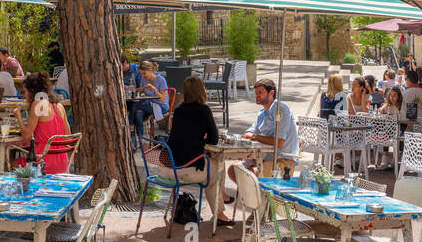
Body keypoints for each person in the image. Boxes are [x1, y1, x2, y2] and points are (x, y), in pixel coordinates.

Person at [167, 76, 229, 226]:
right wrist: (202, 141)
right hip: (186, 170)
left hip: (169, 168)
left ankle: (221, 200)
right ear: (202, 91)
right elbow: (214, 139)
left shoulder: (179, 109)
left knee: (211, 168)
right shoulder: (204, 110)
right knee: (217, 171)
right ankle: (220, 213)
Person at [16, 71, 71, 173]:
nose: (24, 96)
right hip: (62, 163)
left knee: (8, 162)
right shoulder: (59, 105)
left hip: (42, 162)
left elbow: (26, 137)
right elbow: (67, 136)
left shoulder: (38, 104)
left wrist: (18, 116)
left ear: (32, 91)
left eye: (25, 92)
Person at [243, 79, 299, 176]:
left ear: (271, 93)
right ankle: (252, 190)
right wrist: (251, 135)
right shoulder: (262, 113)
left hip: (281, 159)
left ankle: (254, 188)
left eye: (260, 92)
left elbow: (279, 141)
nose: (257, 95)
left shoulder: (280, 109)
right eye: (256, 92)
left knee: (247, 176)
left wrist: (255, 137)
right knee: (234, 169)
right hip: (263, 156)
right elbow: (248, 133)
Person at [128, 60, 169, 140]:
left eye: (144, 73)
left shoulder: (161, 80)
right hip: (147, 105)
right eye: (141, 74)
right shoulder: (144, 80)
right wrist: (135, 89)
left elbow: (163, 100)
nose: (142, 76)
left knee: (135, 105)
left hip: (160, 107)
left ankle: (130, 127)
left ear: (150, 70)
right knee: (138, 113)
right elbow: (142, 92)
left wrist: (154, 89)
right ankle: (141, 139)